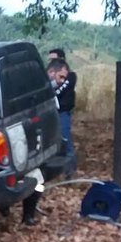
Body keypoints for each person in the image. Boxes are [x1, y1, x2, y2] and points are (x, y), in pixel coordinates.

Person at [47, 49, 78, 177]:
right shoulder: (50, 76)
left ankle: (70, 172)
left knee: (66, 141)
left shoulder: (70, 76)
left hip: (63, 112)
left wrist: (52, 89)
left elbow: (60, 90)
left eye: (54, 59)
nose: (52, 62)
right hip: (51, 113)